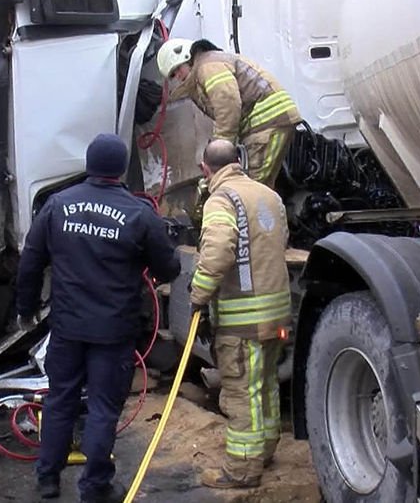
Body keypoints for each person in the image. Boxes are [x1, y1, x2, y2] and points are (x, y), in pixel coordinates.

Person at [16, 133, 181, 503]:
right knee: (104, 408)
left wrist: (25, 310)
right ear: (121, 168)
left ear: (88, 165)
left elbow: (30, 261)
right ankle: (95, 487)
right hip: (114, 330)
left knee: (60, 399)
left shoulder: (58, 205)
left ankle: (48, 478)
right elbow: (168, 268)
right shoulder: (139, 213)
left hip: (68, 327)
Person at [188, 139, 292, 489]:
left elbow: (218, 251)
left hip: (242, 318)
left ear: (206, 168)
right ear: (239, 160)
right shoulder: (269, 195)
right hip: (276, 312)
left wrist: (198, 296)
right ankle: (264, 449)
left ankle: (242, 471)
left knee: (240, 392)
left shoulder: (222, 199)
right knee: (264, 385)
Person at [156, 38, 301, 188]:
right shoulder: (209, 63)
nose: (178, 76)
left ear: (187, 57)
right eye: (173, 75)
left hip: (267, 123)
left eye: (177, 69)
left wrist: (219, 153)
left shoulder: (208, 67)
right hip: (269, 122)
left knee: (249, 188)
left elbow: (227, 106)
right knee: (262, 187)